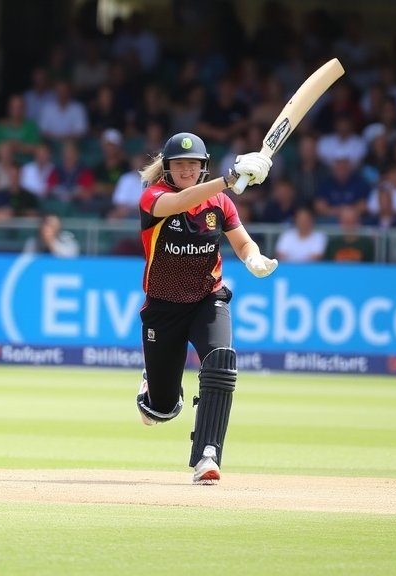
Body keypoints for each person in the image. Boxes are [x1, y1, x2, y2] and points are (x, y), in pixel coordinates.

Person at [134, 132, 276, 485]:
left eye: (193, 164)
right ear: (167, 168)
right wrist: (227, 180)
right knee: (162, 409)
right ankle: (153, 389)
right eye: (179, 164)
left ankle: (208, 455)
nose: (186, 169)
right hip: (163, 309)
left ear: (202, 166)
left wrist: (252, 257)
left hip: (206, 299)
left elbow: (242, 241)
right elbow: (179, 203)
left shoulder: (221, 204)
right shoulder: (154, 198)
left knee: (221, 360)